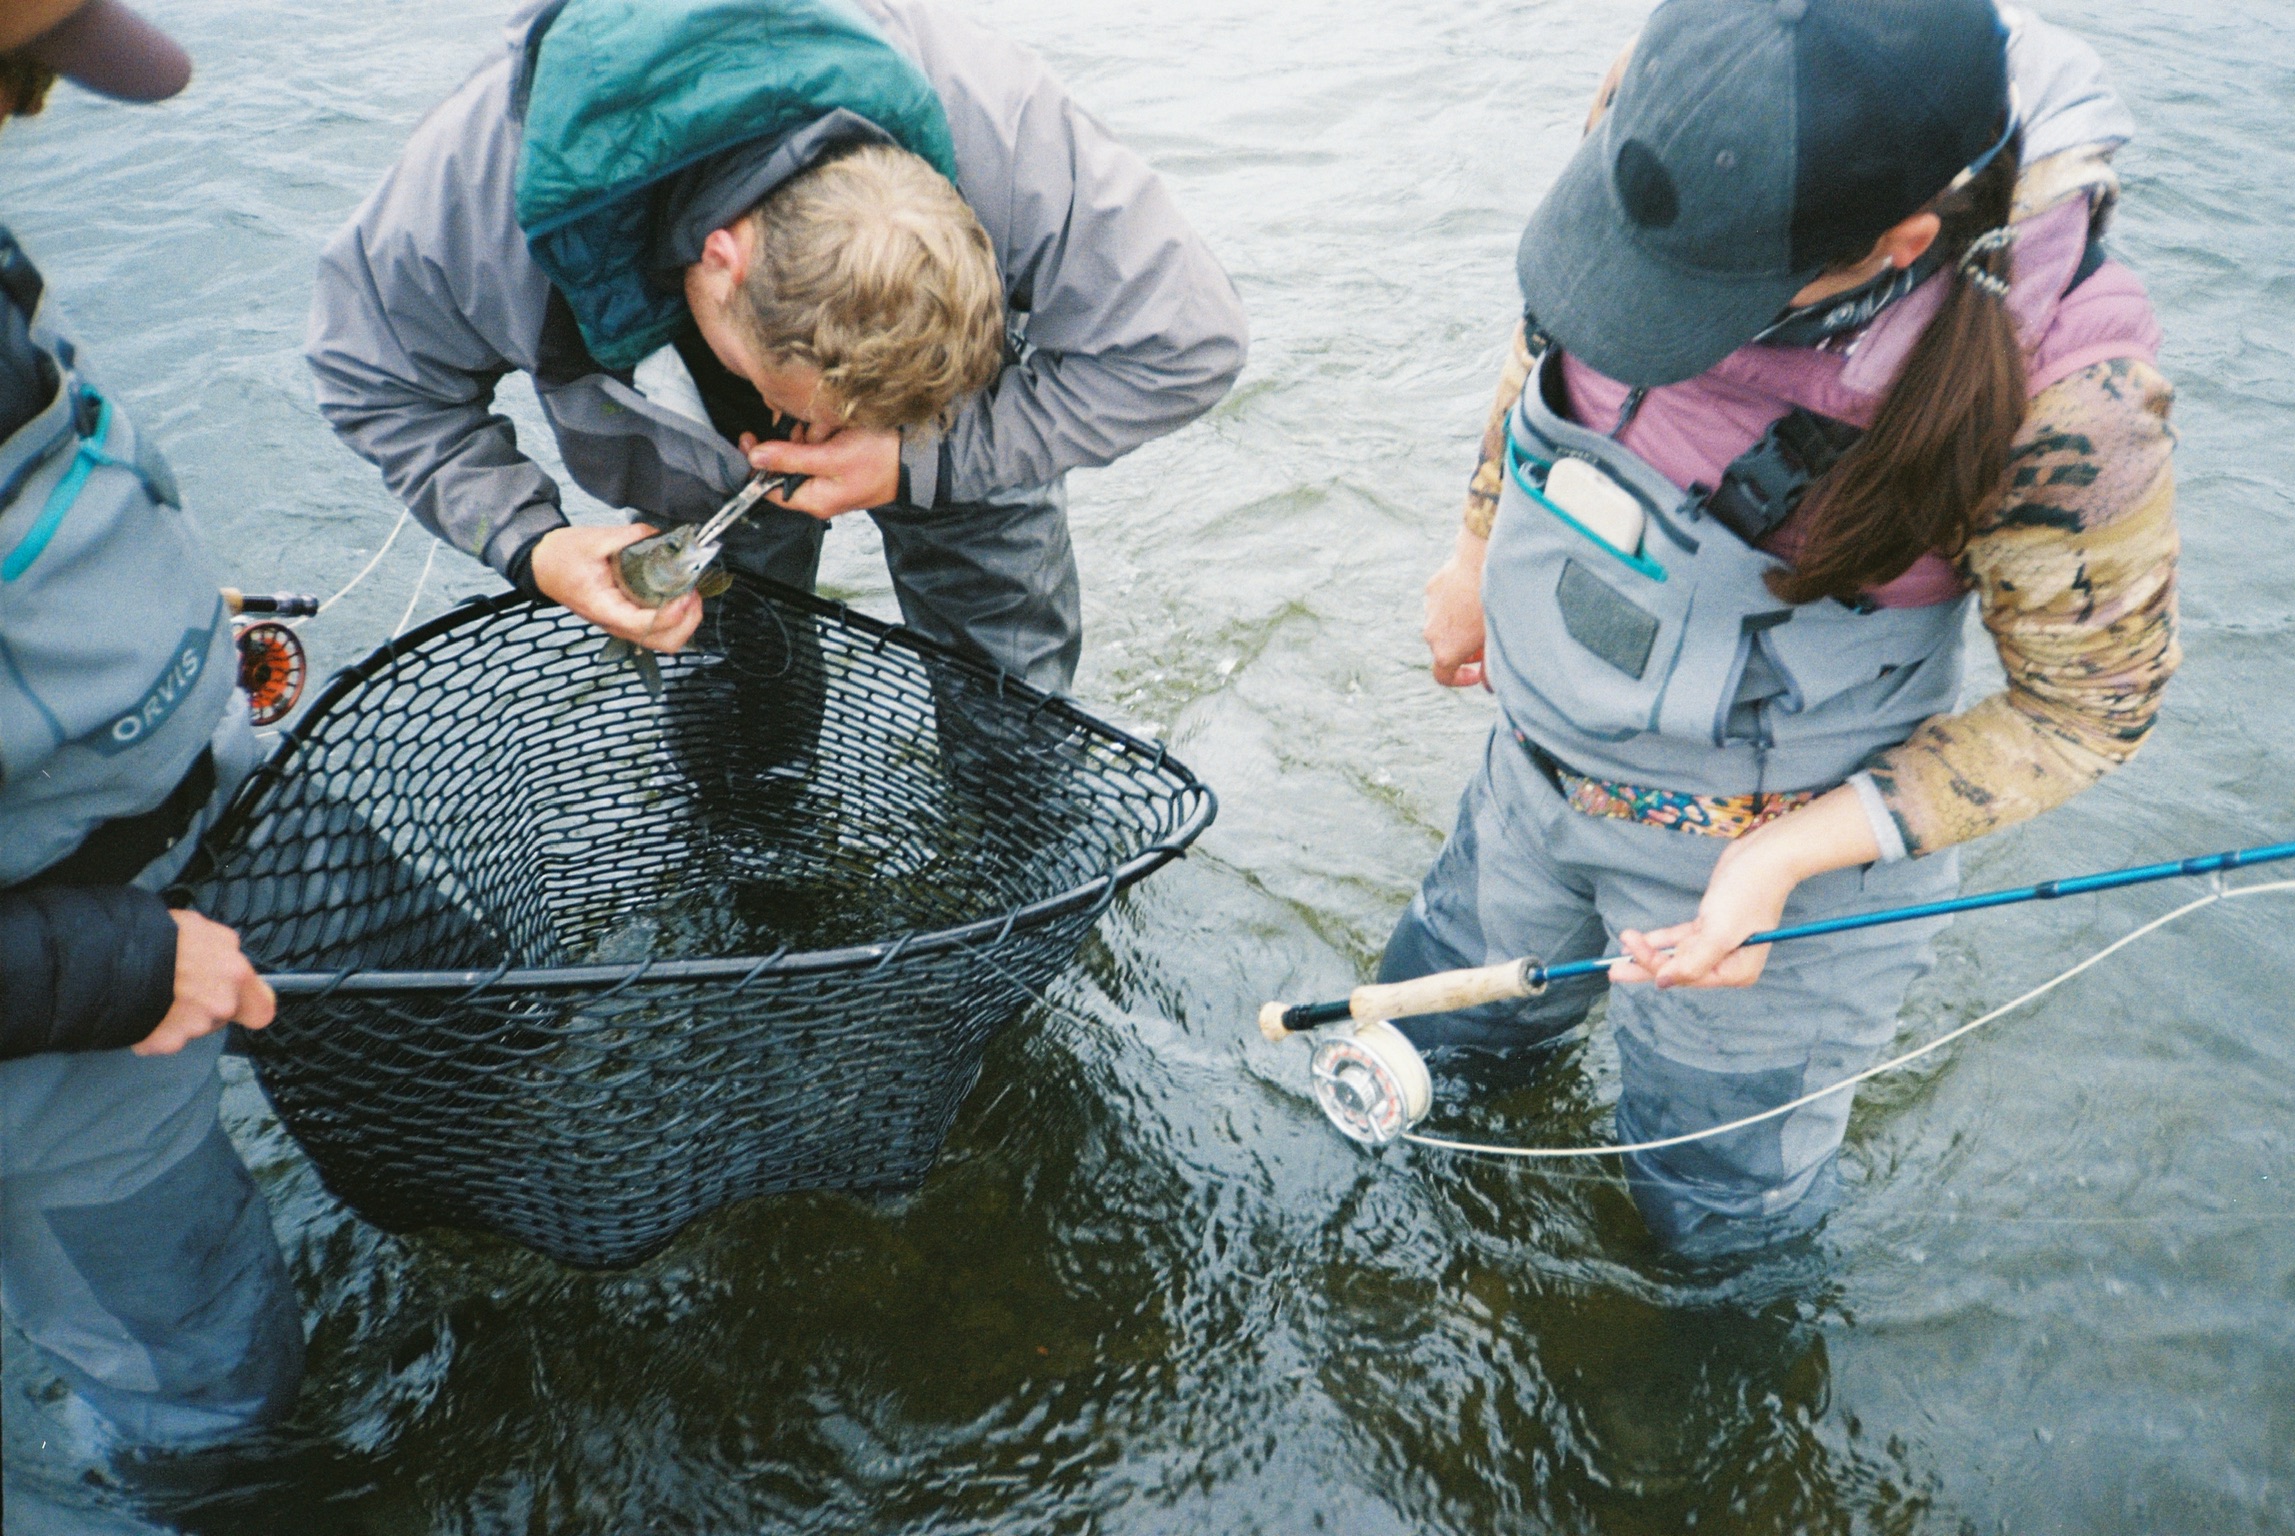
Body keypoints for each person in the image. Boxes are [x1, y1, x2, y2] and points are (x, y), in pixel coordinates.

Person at [1392, 0, 2178, 1256]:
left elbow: (2089, 709)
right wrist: (1476, 537)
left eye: (1694, 294)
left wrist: (1774, 867)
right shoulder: (1689, 110)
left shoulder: (2071, 399)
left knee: (1710, 1223)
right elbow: (1562, 317)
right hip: (1526, 796)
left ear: (1900, 242)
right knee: (1425, 1059)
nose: (1644, 307)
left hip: (1766, 900)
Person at [307, 0, 1248, 695]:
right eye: (808, 407)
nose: (822, 437)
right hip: (683, 466)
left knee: (1012, 695)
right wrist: (535, 543)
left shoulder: (998, 124)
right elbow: (374, 381)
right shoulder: (471, 198)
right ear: (721, 260)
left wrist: (926, 457)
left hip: (952, 430)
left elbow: (1187, 344)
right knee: (727, 702)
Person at [0, 0, 304, 1454]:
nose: (26, 116)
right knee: (206, 1395)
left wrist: (177, 610)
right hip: (67, 1031)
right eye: (12, 73)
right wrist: (123, 965)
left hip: (190, 828)